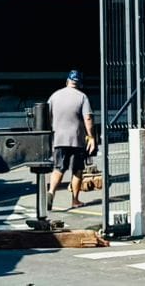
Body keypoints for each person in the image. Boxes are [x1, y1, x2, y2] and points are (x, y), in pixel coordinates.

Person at [47, 69, 95, 210]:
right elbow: (88, 118)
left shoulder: (54, 96)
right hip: (76, 140)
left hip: (58, 139)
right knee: (77, 170)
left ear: (67, 81)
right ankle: (75, 200)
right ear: (79, 83)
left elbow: (47, 116)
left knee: (58, 169)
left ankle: (51, 193)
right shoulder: (82, 97)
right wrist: (91, 136)